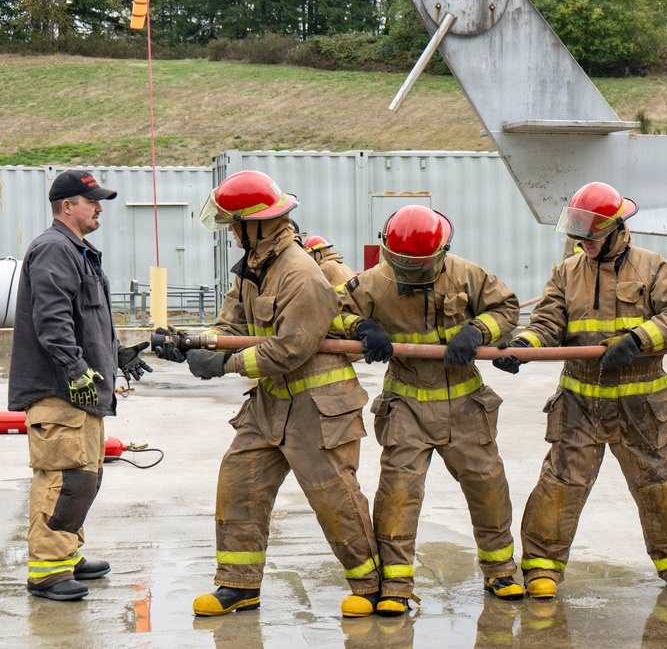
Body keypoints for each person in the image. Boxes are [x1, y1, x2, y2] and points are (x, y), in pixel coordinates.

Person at [178, 170, 380, 618]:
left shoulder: (300, 273)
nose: (230, 232)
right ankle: (238, 585)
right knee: (238, 483)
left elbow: (291, 349)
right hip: (270, 406)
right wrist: (191, 343)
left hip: (318, 408)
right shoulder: (253, 270)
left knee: (333, 498)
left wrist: (224, 364)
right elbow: (230, 326)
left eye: (235, 224)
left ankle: (371, 586)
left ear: (258, 225)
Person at [494, 181, 667, 599]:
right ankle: (541, 569)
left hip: (639, 403)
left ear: (617, 228)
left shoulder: (652, 267)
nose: (583, 241)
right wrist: (523, 347)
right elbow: (548, 323)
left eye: (592, 232)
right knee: (561, 482)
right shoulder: (566, 271)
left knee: (655, 481)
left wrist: (639, 339)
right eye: (578, 231)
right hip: (579, 402)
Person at [338, 204, 523, 616]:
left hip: (464, 400)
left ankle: (501, 571)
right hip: (405, 404)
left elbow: (507, 309)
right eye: (402, 264)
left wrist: (477, 330)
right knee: (398, 496)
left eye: (418, 266)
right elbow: (336, 313)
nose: (408, 273)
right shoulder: (370, 284)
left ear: (442, 252)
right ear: (388, 252)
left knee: (487, 486)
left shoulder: (468, 275)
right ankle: (396, 585)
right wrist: (361, 328)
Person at [8, 170, 151, 601]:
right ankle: (47, 572)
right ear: (67, 206)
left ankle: (65, 555)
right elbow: (51, 320)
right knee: (61, 479)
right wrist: (75, 369)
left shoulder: (77, 251)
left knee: (82, 478)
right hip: (60, 392)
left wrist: (114, 355)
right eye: (92, 201)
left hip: (81, 394)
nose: (99, 208)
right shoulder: (54, 248)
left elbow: (85, 320)